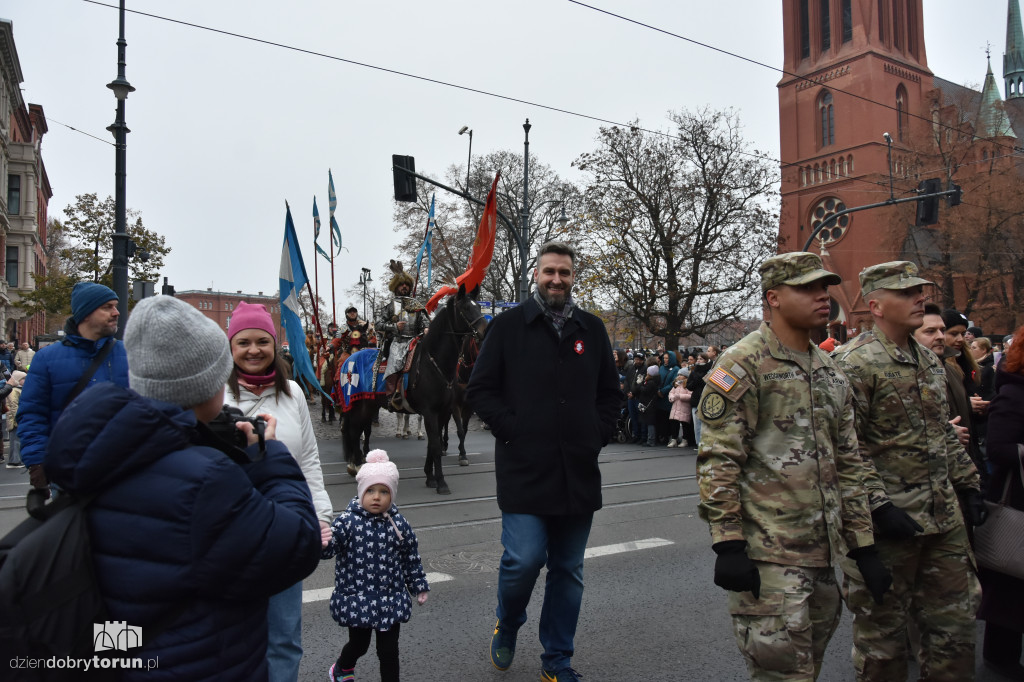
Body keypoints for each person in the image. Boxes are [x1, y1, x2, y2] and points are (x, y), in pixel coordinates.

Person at [44, 295, 322, 680]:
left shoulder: (105, 448)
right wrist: (271, 458)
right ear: (210, 383)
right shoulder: (206, 478)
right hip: (199, 658)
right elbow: (296, 545)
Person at [697, 252, 890, 681]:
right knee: (782, 676)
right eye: (808, 288)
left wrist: (863, 546)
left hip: (824, 557)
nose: (823, 297)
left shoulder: (829, 371)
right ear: (774, 298)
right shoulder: (741, 363)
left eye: (825, 287)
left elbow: (849, 464)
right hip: (768, 558)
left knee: (810, 669)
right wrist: (727, 544)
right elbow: (719, 461)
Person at [467, 241, 620, 682]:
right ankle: (509, 620)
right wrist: (513, 429)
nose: (557, 279)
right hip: (524, 470)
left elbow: (610, 394)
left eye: (565, 273)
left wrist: (596, 433)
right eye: (549, 271)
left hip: (577, 470)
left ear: (573, 278)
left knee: (568, 571)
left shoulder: (591, 329)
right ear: (536, 274)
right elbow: (481, 390)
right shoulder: (509, 326)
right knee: (524, 559)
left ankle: (557, 662)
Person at [833, 261, 986, 681]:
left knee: (955, 635)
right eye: (907, 292)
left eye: (920, 289)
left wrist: (969, 486)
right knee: (883, 647)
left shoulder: (929, 361)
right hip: (888, 529)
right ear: (875, 304)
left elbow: (939, 431)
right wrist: (880, 507)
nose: (920, 297)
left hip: (943, 522)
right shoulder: (853, 364)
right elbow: (846, 448)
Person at [222, 300, 334, 682]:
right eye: (243, 342)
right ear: (231, 347)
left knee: (285, 638)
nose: (253, 350)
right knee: (234, 636)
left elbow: (309, 462)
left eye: (262, 341)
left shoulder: (294, 394)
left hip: (284, 529)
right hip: (231, 535)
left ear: (274, 345)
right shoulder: (215, 394)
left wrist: (320, 515)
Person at [323, 449, 429, 682]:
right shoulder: (347, 522)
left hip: (390, 598)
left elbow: (410, 556)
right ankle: (342, 667)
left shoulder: (398, 523)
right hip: (358, 598)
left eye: (384, 491)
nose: (376, 497)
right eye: (370, 490)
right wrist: (321, 541)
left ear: (392, 495)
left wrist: (418, 584)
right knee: (359, 645)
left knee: (388, 651)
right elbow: (331, 548)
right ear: (361, 492)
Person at [18, 282, 129, 495]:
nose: (116, 313)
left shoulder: (130, 353)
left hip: (123, 474)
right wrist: (36, 462)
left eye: (115, 306)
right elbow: (32, 414)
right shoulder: (46, 359)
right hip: (70, 477)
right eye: (107, 307)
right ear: (86, 313)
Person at [978, 325, 1024, 680]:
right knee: (1011, 586)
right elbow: (998, 448)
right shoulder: (1014, 393)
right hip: (1017, 503)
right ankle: (1001, 663)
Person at [377, 261, 429, 408]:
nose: (404, 287)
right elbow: (379, 324)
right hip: (398, 341)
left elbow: (424, 321)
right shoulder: (390, 306)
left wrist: (426, 328)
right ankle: (392, 395)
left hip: (415, 341)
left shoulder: (416, 305)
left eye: (406, 284)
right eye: (401, 285)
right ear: (396, 287)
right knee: (395, 362)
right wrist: (394, 327)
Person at [687, 352, 712, 445]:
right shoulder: (694, 371)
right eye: (698, 359)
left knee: (705, 423)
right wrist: (695, 380)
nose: (698, 361)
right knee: (697, 424)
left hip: (706, 399)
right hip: (696, 399)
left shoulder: (709, 371)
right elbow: (689, 386)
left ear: (705, 360)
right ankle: (698, 443)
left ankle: (706, 442)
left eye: (701, 359)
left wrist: (699, 379)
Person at [667, 373, 693, 448]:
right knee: (674, 423)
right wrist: (671, 397)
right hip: (675, 407)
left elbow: (690, 395)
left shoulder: (688, 385)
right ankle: (674, 439)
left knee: (685, 424)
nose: (678, 376)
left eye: (680, 375)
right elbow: (671, 392)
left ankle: (685, 440)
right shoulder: (676, 384)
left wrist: (680, 396)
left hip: (684, 407)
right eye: (678, 375)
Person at [5, 370, 25, 469]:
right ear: (17, 380)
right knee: (15, 440)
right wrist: (19, 418)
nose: (25, 380)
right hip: (14, 420)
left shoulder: (18, 389)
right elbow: (13, 406)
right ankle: (14, 461)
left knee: (17, 440)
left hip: (15, 419)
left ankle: (16, 459)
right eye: (23, 379)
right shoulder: (13, 390)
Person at [637, 365, 661, 447]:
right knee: (649, 422)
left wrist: (640, 384)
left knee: (650, 423)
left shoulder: (651, 382)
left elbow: (645, 390)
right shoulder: (652, 381)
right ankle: (650, 439)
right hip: (649, 404)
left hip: (649, 405)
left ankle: (651, 440)